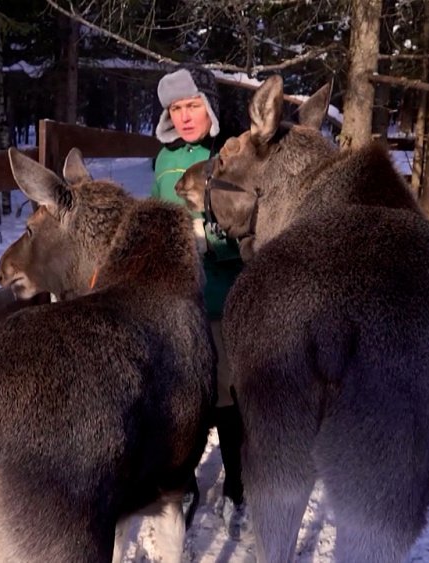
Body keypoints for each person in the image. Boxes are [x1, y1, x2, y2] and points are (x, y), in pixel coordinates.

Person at [151, 66, 245, 513]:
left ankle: (237, 482)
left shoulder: (231, 154)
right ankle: (185, 482)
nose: (185, 117)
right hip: (177, 301)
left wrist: (213, 241)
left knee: (226, 389)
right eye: (176, 109)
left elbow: (247, 224)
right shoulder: (162, 160)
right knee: (183, 392)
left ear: (210, 106)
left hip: (221, 296)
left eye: (193, 106)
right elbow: (156, 217)